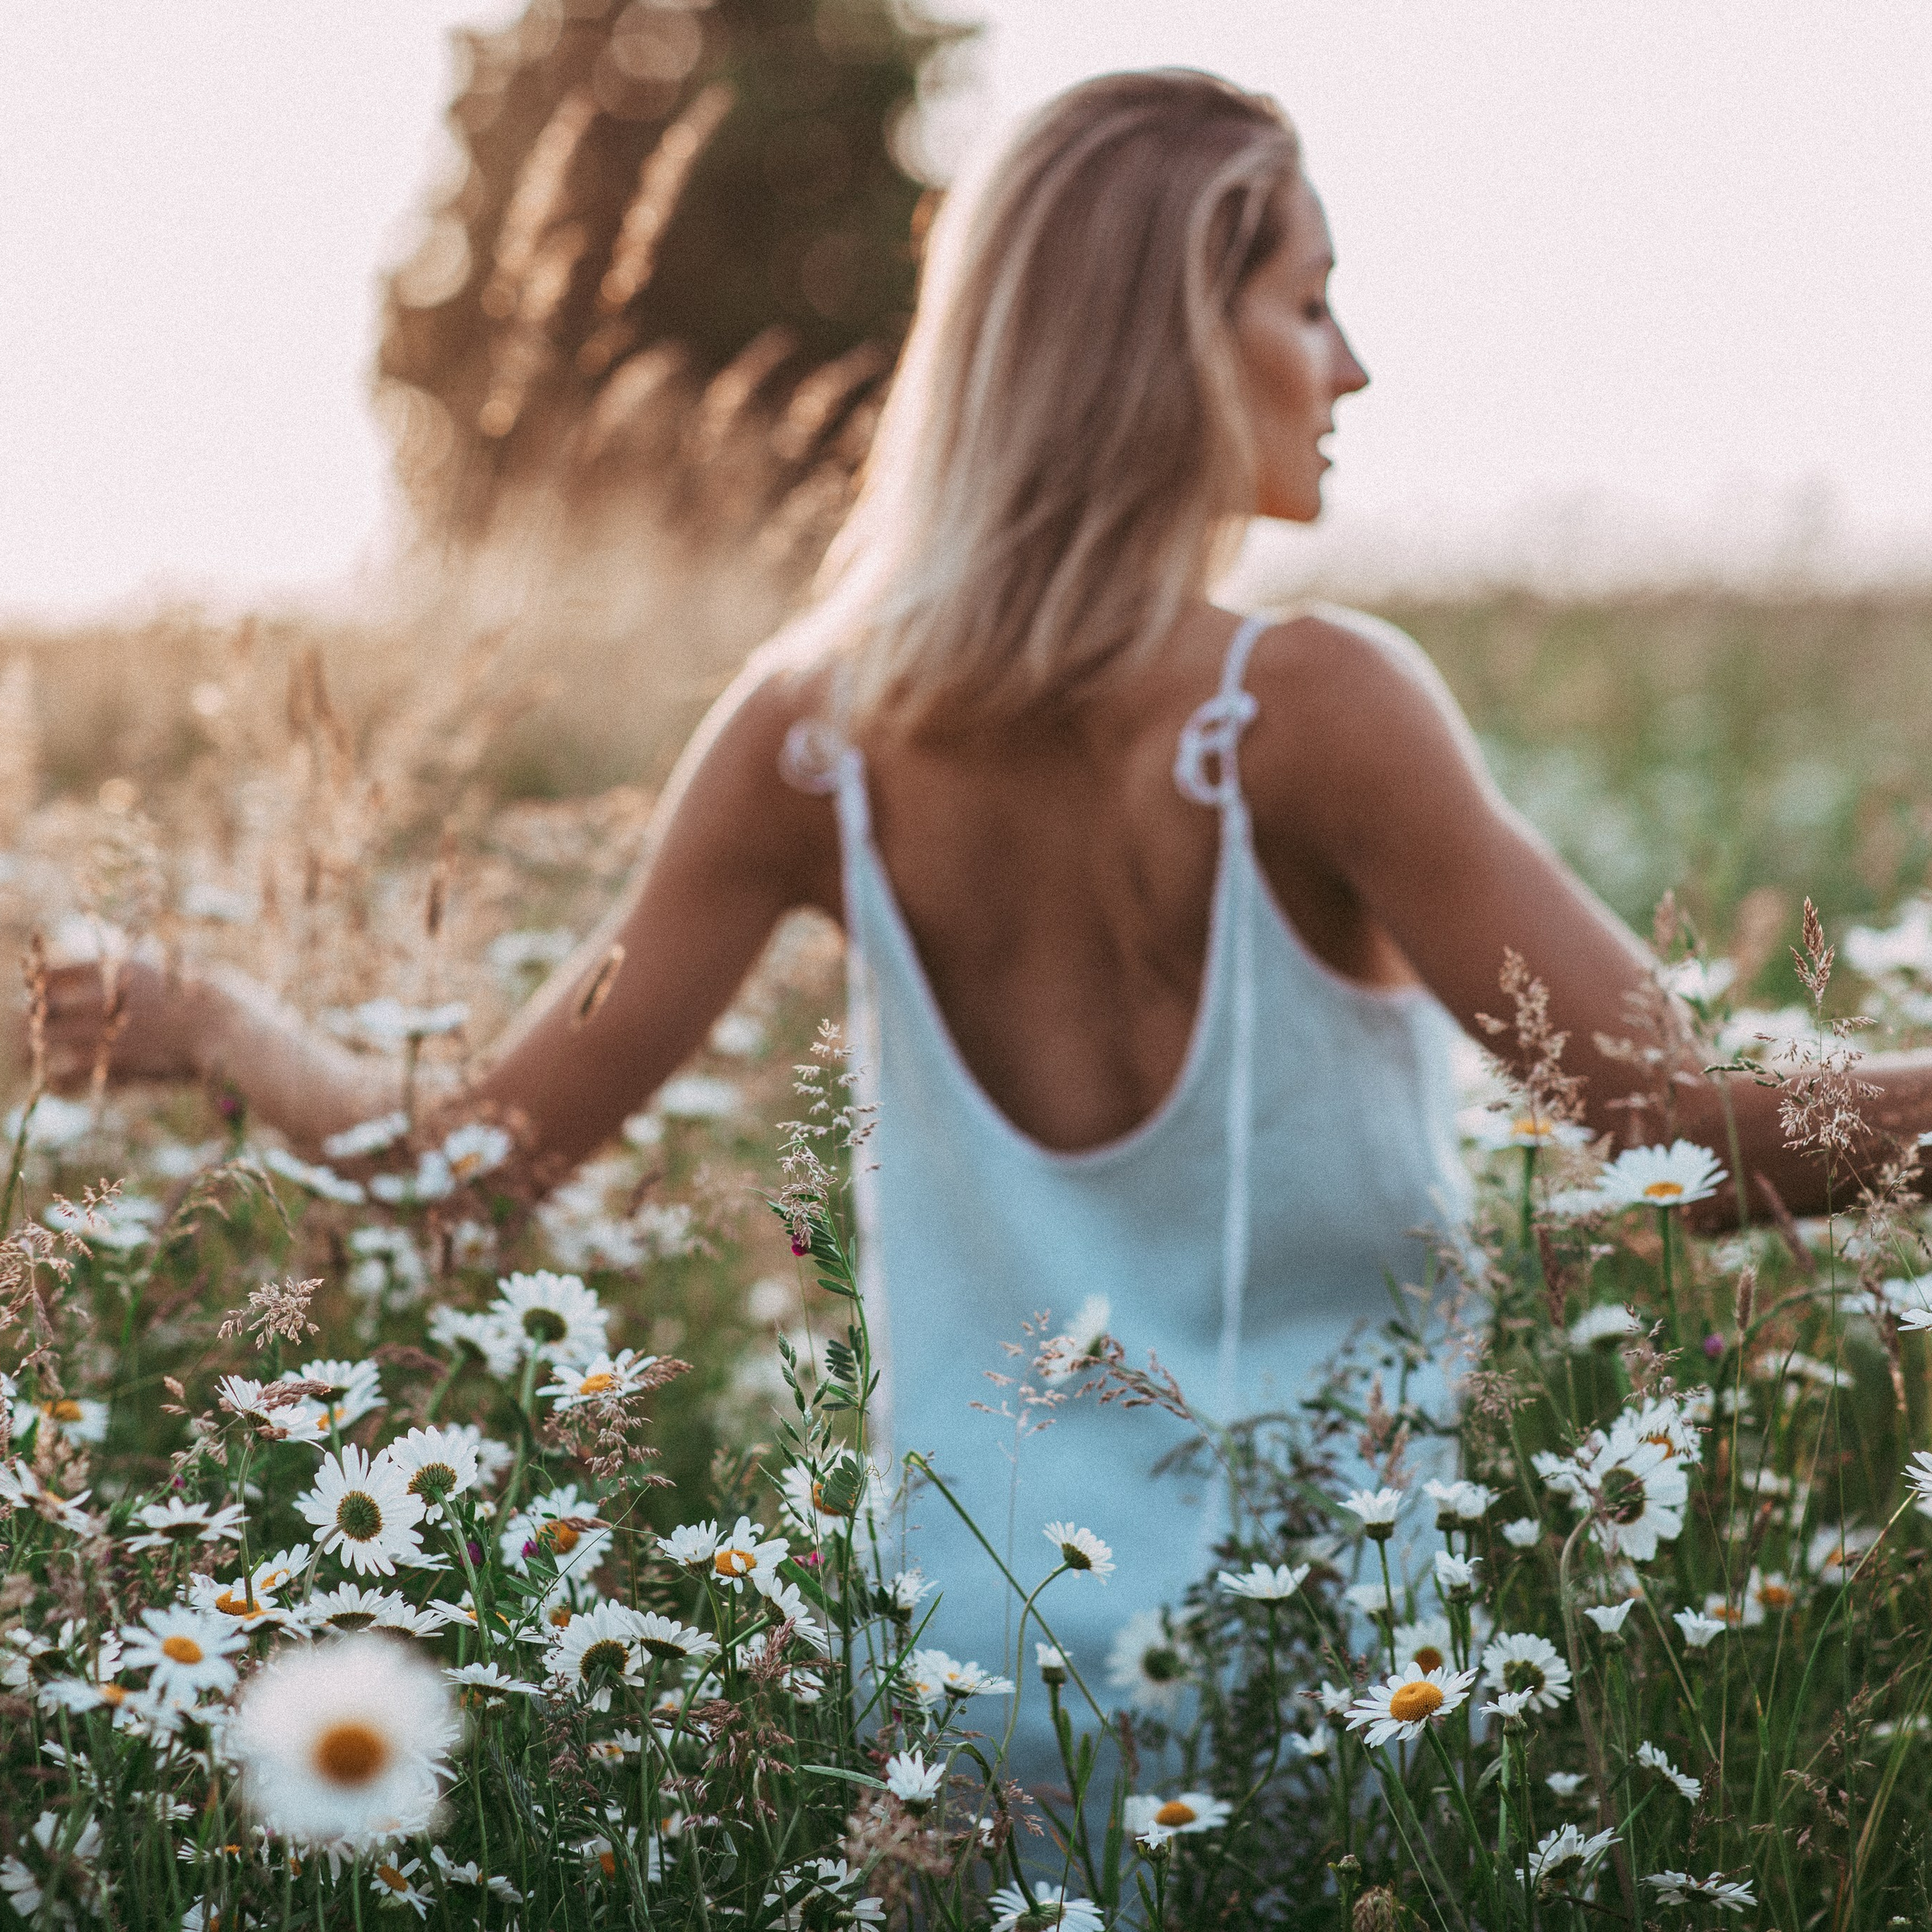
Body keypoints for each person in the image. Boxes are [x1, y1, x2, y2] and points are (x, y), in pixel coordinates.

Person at [38, 71, 1932, 1764]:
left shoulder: (812, 738)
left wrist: (215, 1027)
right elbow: (1682, 1147)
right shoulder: (1320, 707)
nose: (1350, 364)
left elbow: (462, 1160)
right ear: (1170, 337)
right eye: (1306, 297)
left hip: (968, 1708)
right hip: (1332, 1692)